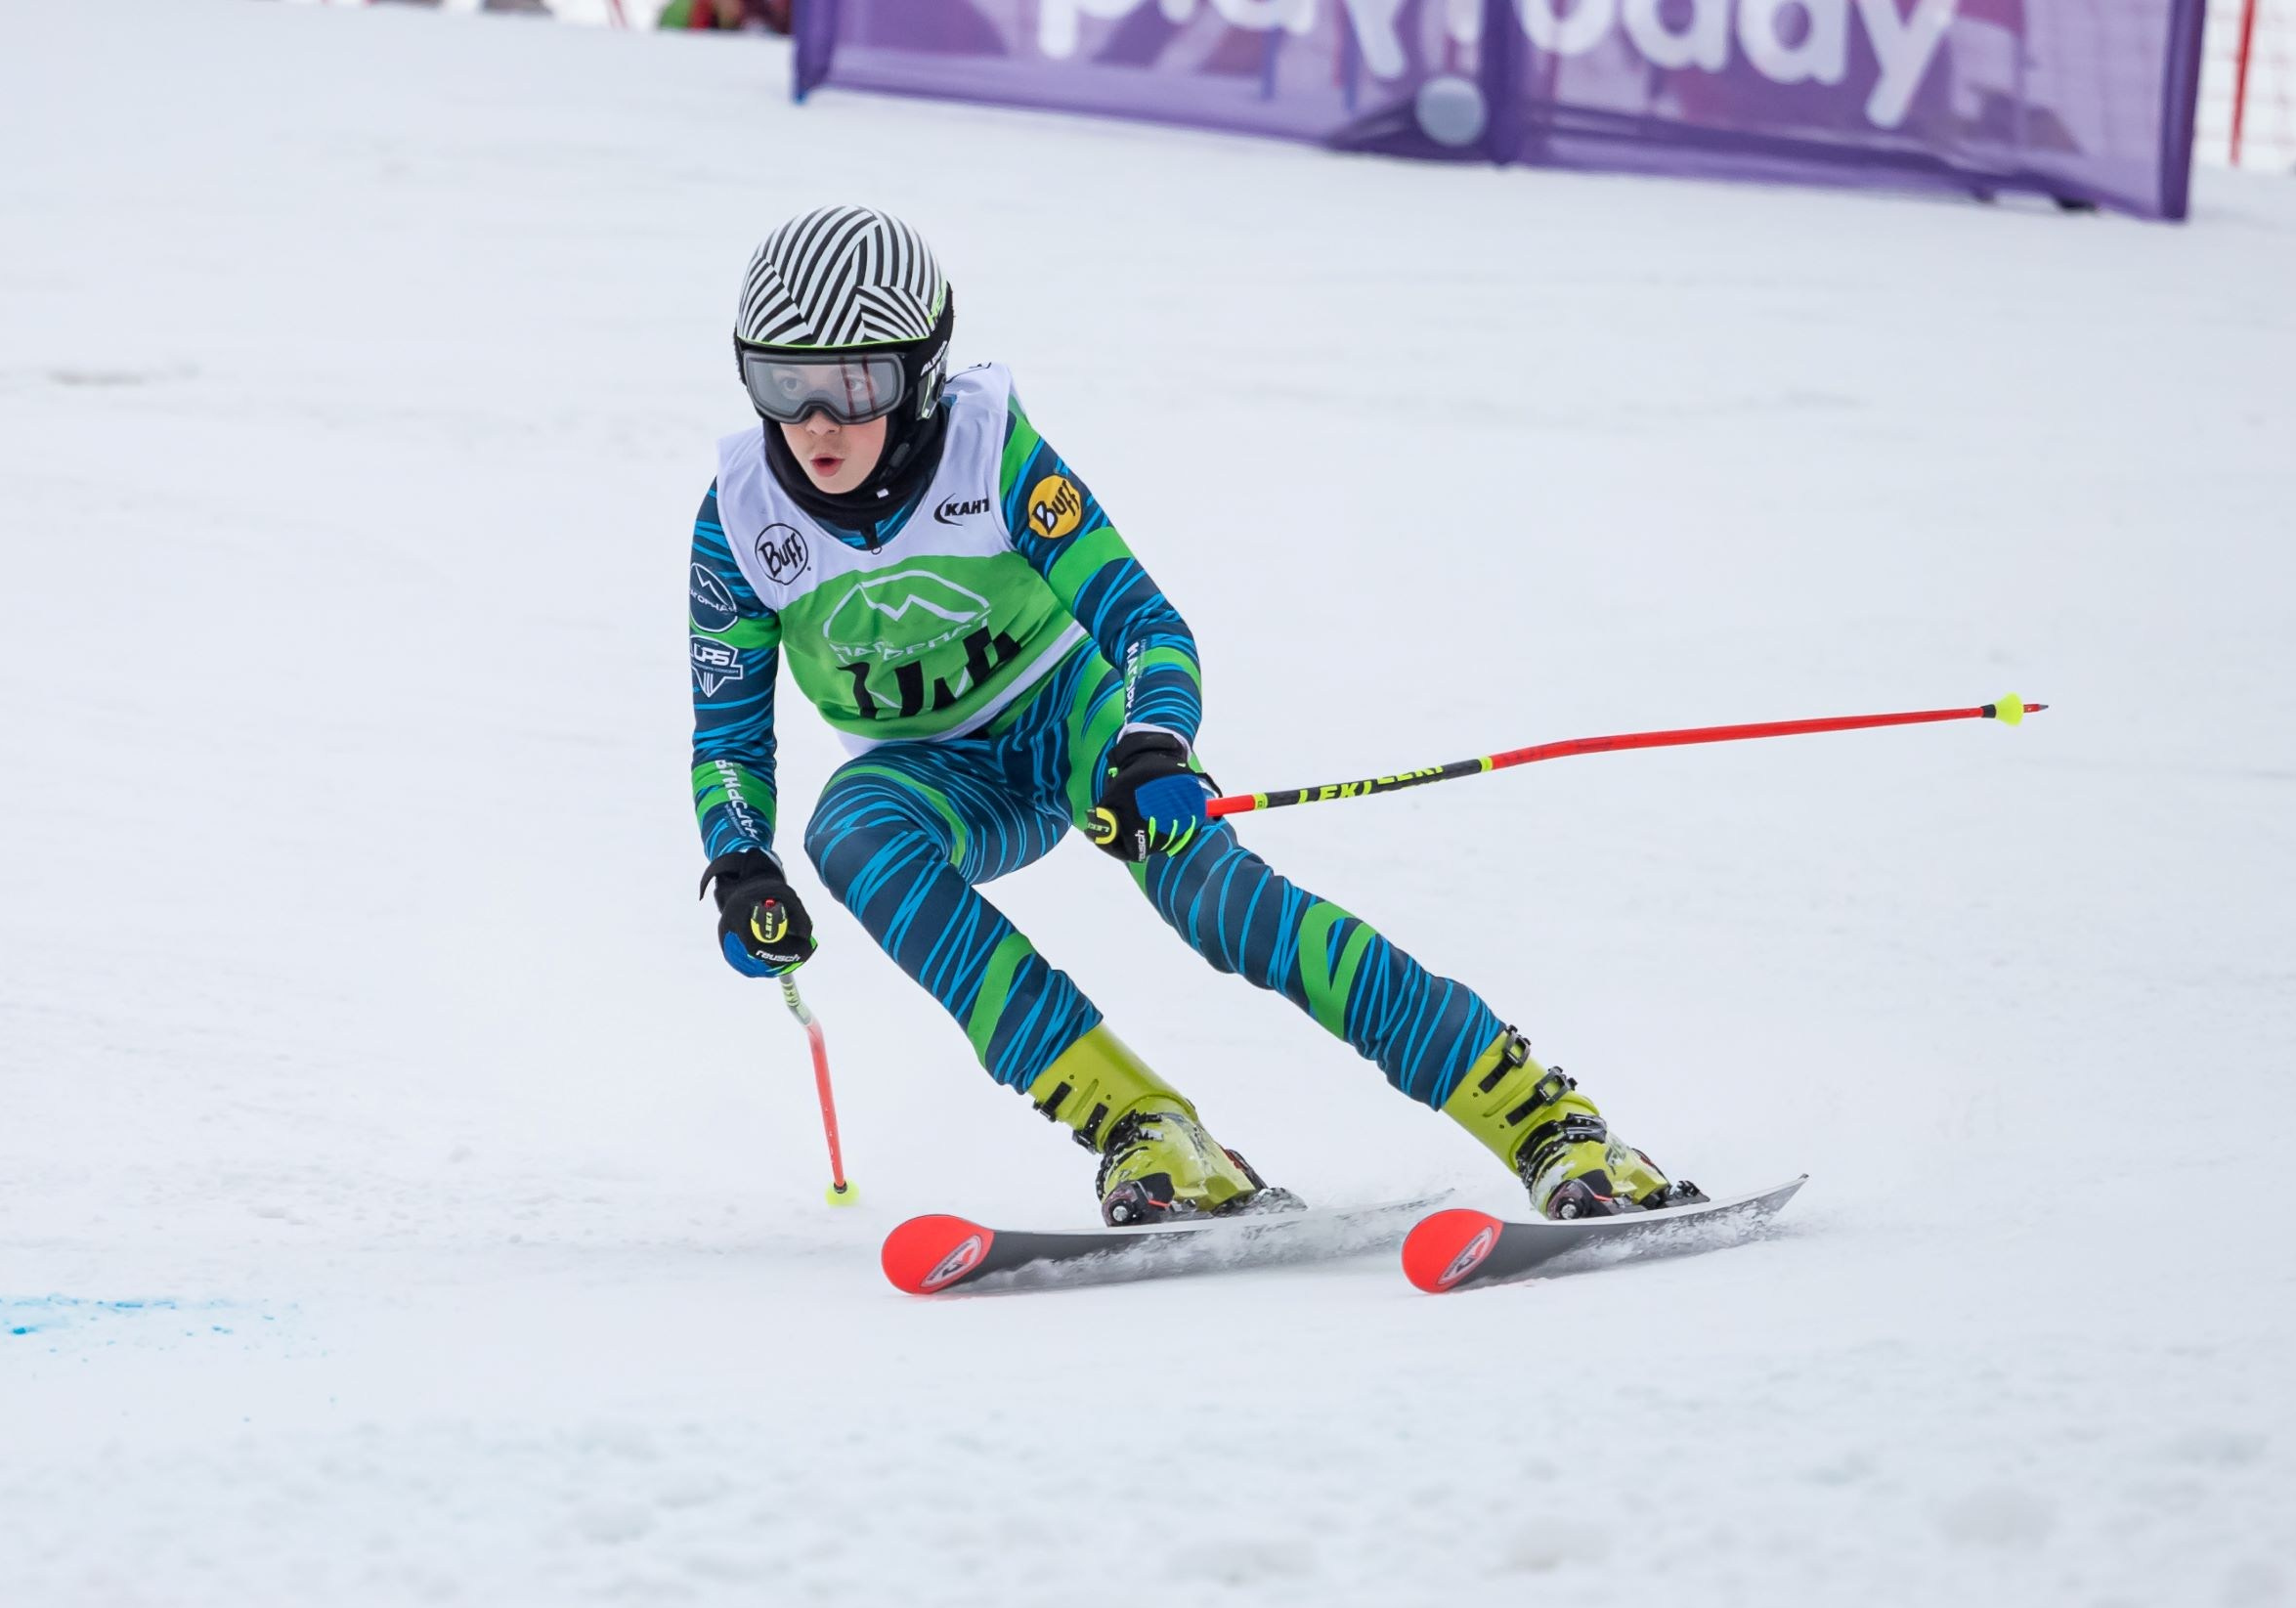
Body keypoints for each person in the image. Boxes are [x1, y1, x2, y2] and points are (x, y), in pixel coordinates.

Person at [690, 206, 1703, 1226]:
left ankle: (1546, 1121)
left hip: (1074, 724)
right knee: (851, 829)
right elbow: (728, 736)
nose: (816, 421)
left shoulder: (988, 452)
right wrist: (741, 865)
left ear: (921, 378)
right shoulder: (740, 521)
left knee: (1215, 902)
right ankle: (1148, 1131)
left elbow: (1141, 621)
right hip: (937, 779)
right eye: (784, 382)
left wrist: (1153, 743)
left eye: (854, 384)